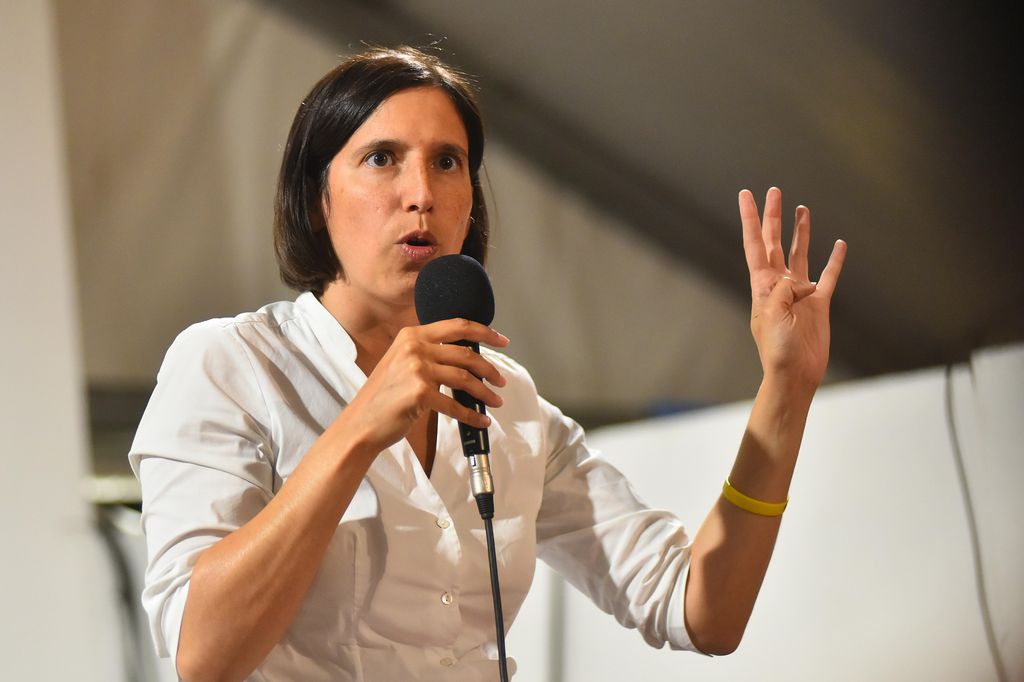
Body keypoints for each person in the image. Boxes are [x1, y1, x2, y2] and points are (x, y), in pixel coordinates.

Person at [130, 46, 846, 681]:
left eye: (448, 162)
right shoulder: (231, 365)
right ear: (316, 200)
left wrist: (785, 389)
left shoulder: (512, 403)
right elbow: (206, 655)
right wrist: (358, 429)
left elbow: (703, 612)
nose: (422, 195)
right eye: (382, 159)